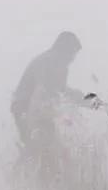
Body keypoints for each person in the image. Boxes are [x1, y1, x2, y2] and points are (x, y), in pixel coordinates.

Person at [10, 31, 82, 163]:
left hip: (40, 111)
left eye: (74, 55)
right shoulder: (45, 61)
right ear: (63, 50)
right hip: (24, 108)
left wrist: (83, 99)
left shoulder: (62, 67)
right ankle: (19, 177)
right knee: (36, 147)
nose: (73, 58)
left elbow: (60, 90)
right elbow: (42, 89)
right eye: (71, 53)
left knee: (44, 148)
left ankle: (27, 176)